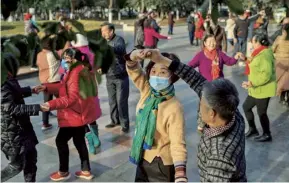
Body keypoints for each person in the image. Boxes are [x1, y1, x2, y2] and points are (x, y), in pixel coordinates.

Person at [137, 48, 247, 182]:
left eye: (201, 103)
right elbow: (195, 79)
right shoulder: (233, 112)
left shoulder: (219, 157)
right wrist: (161, 59)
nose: (199, 104)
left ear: (211, 114)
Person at [125, 50, 187, 182]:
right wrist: (133, 56)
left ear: (172, 76)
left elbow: (178, 142)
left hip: (162, 164)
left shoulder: (174, 106)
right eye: (153, 71)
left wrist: (180, 173)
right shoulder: (148, 92)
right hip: (142, 157)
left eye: (163, 72)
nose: (157, 75)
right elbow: (134, 71)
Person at [39, 48, 98, 181]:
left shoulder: (75, 73)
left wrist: (50, 104)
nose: (65, 61)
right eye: (64, 57)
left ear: (75, 59)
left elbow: (71, 98)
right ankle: (86, 170)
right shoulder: (78, 70)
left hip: (73, 114)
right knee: (79, 141)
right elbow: (63, 87)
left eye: (67, 58)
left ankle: (64, 171)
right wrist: (47, 87)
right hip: (79, 113)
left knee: (60, 140)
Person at [1, 53, 45, 182]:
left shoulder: (7, 77)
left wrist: (30, 90)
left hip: (22, 127)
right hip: (11, 131)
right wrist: (38, 108)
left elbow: (14, 92)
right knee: (17, 165)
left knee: (31, 157)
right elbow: (11, 108)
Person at [188, 34, 243, 132]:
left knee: (219, 105)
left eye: (213, 42)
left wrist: (236, 57)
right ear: (204, 43)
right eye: (209, 42)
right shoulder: (200, 55)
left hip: (219, 86)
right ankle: (201, 124)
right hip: (205, 86)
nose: (212, 44)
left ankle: (219, 124)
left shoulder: (220, 54)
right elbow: (190, 65)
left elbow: (229, 62)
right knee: (204, 105)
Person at [242, 32, 276, 142]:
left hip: (263, 89)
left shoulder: (265, 54)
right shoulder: (258, 52)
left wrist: (252, 83)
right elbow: (253, 63)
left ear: (258, 42)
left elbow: (266, 75)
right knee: (246, 107)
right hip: (256, 89)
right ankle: (253, 129)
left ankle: (267, 134)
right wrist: (244, 58)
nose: (251, 43)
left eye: (253, 41)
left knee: (261, 113)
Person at [70, 33, 102, 154]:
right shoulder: (91, 54)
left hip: (79, 92)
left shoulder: (74, 56)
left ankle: (91, 143)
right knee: (91, 114)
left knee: (81, 117)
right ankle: (96, 137)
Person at [100, 22, 130, 133]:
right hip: (109, 76)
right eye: (101, 32)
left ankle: (125, 123)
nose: (103, 34)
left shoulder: (119, 40)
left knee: (121, 101)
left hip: (120, 76)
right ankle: (114, 120)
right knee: (112, 101)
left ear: (111, 31)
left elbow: (120, 49)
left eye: (104, 31)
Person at [37, 35, 60, 131]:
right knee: (61, 103)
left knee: (46, 104)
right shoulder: (52, 55)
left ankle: (45, 123)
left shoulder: (39, 54)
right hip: (54, 81)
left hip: (44, 83)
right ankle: (63, 121)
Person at [272, 24, 289, 107]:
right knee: (287, 81)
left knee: (280, 82)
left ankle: (282, 98)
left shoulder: (279, 39)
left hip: (279, 63)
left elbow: (273, 49)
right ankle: (287, 99)